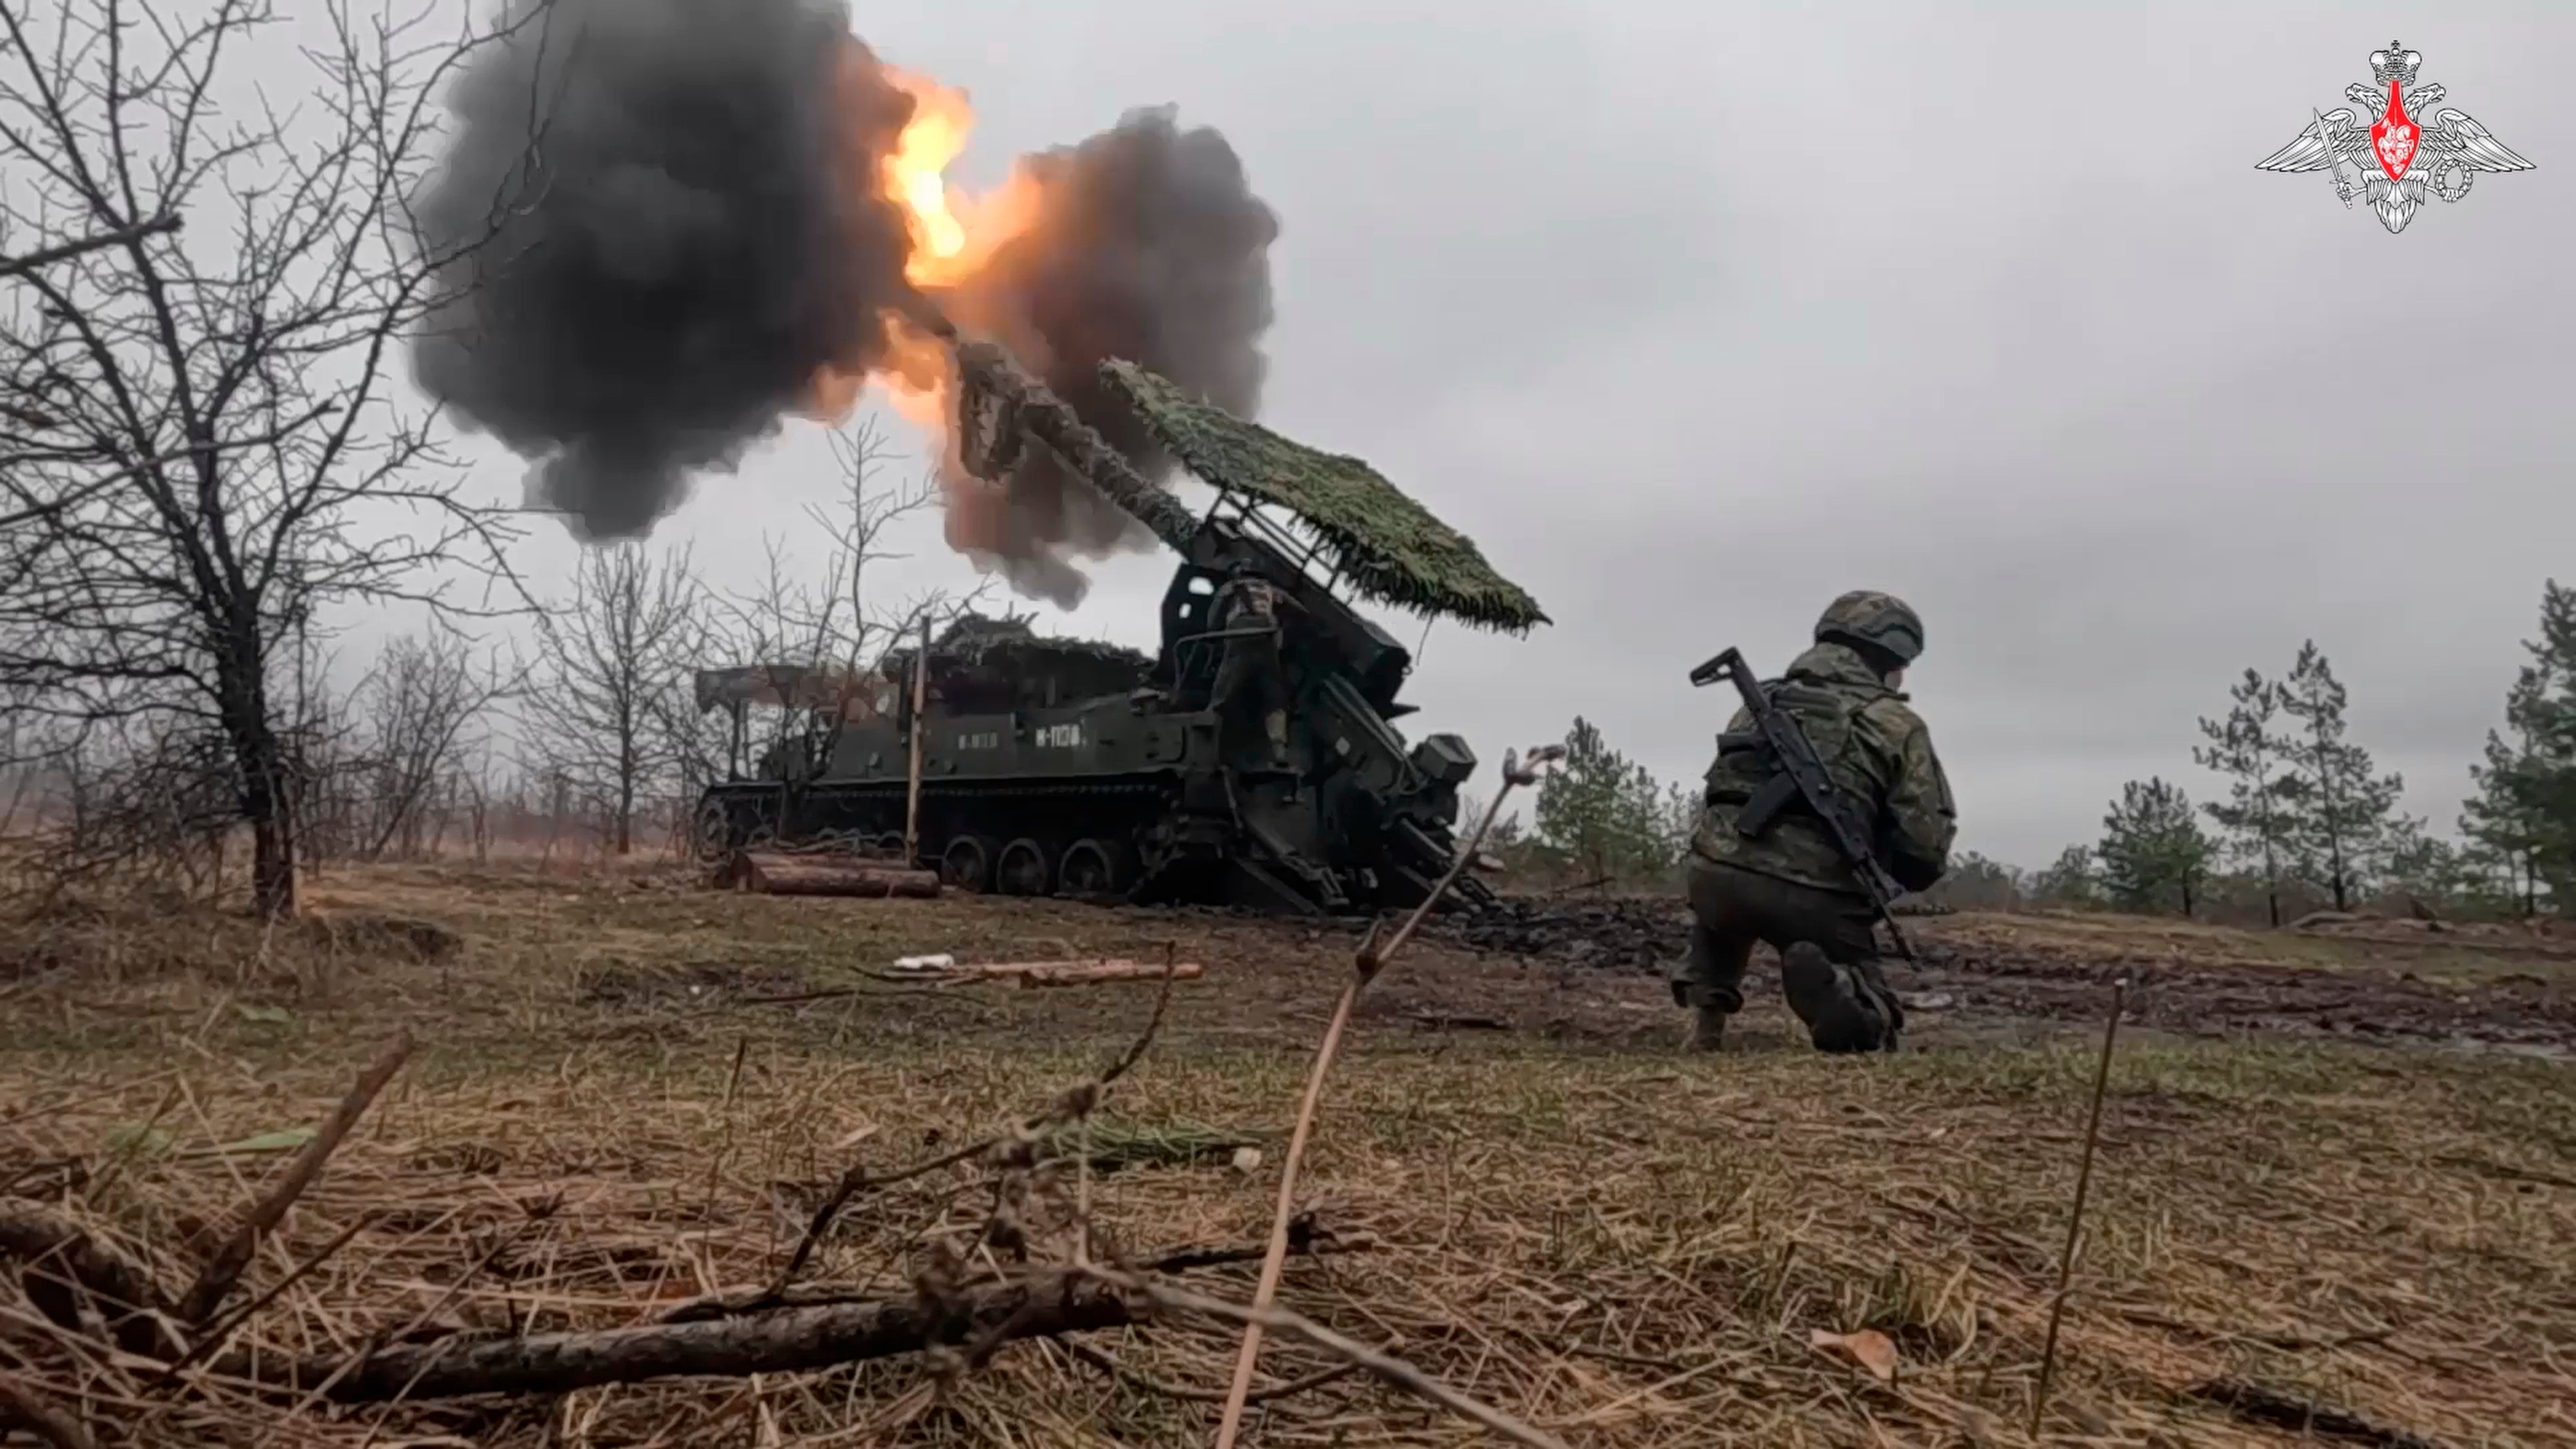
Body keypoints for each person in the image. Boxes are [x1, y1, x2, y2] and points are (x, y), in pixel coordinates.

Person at [1671, 591, 1955, 1054]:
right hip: (1816, 897)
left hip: (1715, 876)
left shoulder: (1759, 701)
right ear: (1888, 658)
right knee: (1871, 1011)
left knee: (1721, 909)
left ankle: (1707, 1020)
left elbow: (1721, 793)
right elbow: (1923, 844)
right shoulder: (1896, 723)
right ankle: (1844, 998)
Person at [1209, 563, 1294, 773]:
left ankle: (1208, 750)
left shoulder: (1232, 588)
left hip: (1240, 641)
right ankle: (1280, 753)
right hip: (1267, 644)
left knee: (1222, 697)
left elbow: (1213, 620)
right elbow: (1299, 611)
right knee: (1274, 700)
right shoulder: (1272, 590)